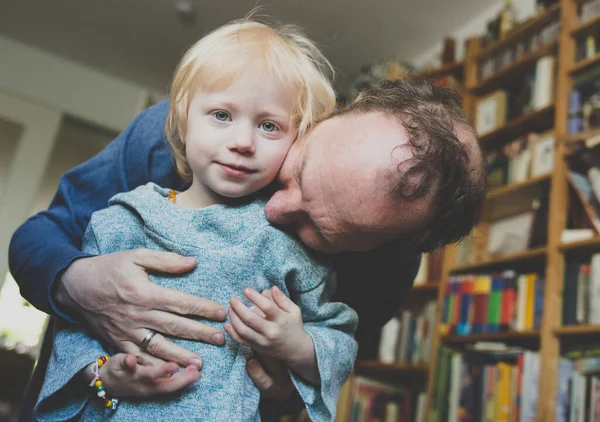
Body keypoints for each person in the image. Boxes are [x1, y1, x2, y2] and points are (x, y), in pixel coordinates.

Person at [9, 45, 486, 422]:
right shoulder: (189, 133)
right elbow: (36, 238)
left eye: (318, 228)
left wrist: (286, 388)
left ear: (380, 247)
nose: (277, 211)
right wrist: (75, 281)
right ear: (339, 112)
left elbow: (318, 371)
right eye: (298, 171)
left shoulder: (385, 271)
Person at [34, 19, 357, 422]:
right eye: (222, 115)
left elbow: (338, 343)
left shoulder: (286, 245)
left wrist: (297, 346)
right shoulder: (121, 219)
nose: (242, 141)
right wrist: (98, 372)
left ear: (297, 141)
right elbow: (76, 320)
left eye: (269, 125)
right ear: (184, 119)